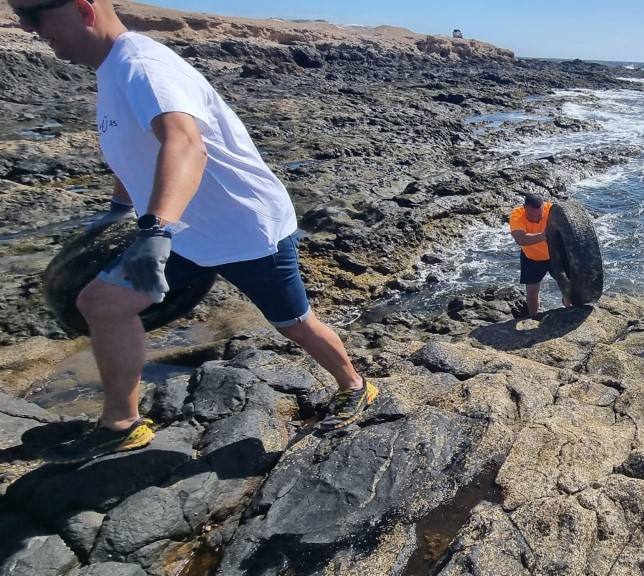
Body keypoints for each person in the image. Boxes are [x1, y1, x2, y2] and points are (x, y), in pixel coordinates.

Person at [14, 0, 377, 461]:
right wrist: (117, 210)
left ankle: (356, 385)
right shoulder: (110, 68)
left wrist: (154, 230)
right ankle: (121, 423)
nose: (25, 27)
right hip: (184, 229)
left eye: (32, 14)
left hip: (244, 229)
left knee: (294, 323)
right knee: (101, 304)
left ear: (84, 10)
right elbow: (133, 152)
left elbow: (185, 143)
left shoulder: (143, 67)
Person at [509, 193, 569, 316]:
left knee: (568, 288)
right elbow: (520, 239)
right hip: (532, 258)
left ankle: (568, 305)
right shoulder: (517, 215)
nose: (536, 218)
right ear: (524, 207)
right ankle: (534, 318)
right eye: (531, 215)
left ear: (543, 207)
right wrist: (544, 235)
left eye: (539, 215)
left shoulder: (552, 210)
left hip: (555, 256)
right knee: (532, 294)